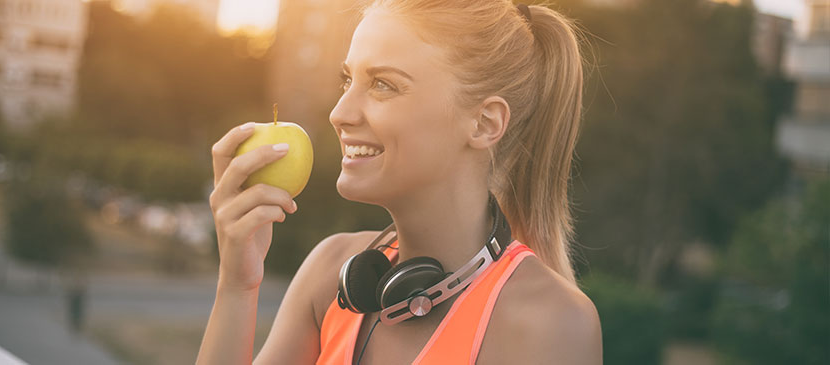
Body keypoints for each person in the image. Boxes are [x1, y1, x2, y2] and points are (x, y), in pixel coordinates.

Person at [197, 0, 602, 364]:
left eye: (383, 85)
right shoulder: (329, 273)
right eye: (347, 80)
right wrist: (237, 285)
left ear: (484, 122)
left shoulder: (548, 324)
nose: (339, 113)